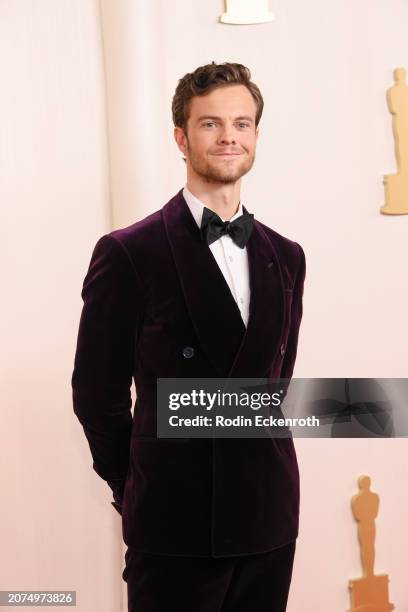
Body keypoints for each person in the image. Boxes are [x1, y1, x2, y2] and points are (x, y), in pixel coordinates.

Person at [72, 61, 306, 612]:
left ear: (255, 136)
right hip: (172, 523)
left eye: (242, 124)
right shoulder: (129, 252)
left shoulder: (287, 256)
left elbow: (275, 387)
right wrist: (134, 486)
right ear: (181, 137)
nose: (229, 136)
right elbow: (96, 394)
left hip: (269, 518)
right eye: (210, 124)